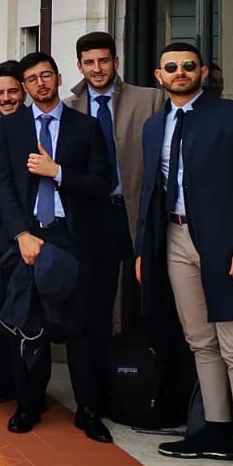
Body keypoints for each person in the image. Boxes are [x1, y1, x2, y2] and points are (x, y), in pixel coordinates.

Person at [137, 42, 233, 466]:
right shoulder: (154, 124)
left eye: (188, 66)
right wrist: (145, 249)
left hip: (226, 245)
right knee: (199, 339)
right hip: (175, 239)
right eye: (171, 67)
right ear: (159, 76)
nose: (180, 72)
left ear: (203, 72)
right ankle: (215, 427)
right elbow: (150, 193)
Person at [0, 51, 115, 442]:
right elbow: (4, 187)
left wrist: (57, 172)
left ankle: (89, 410)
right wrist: (21, 235)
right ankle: (28, 404)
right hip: (27, 236)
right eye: (32, 79)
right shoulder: (10, 129)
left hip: (72, 237)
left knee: (80, 328)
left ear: (59, 78)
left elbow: (101, 184)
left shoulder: (86, 127)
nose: (40, 83)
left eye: (46, 75)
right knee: (28, 326)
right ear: (25, 87)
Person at [66, 30, 164, 374]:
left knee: (150, 295)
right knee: (99, 301)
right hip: (96, 217)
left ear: (116, 62)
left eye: (103, 60)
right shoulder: (69, 108)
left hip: (141, 212)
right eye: (89, 62)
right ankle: (105, 378)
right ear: (79, 66)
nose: (97, 68)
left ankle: (151, 377)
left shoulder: (151, 100)